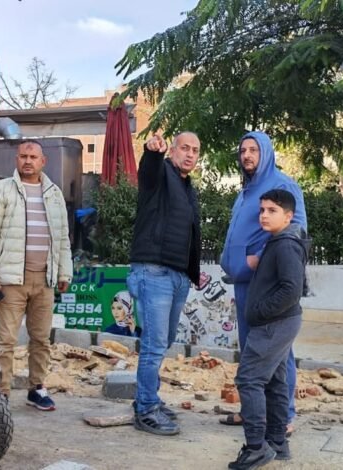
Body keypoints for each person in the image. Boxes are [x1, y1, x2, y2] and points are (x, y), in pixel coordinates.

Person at [219, 131, 307, 433]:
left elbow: (297, 229)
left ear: (266, 153)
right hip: (243, 283)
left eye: (253, 150)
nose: (246, 155)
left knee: (276, 351)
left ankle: (284, 417)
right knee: (252, 349)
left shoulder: (281, 185)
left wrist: (260, 258)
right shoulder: (246, 191)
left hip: (265, 283)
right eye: (243, 150)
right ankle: (254, 410)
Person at [0, 139, 73, 411]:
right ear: (16, 159)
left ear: (43, 161)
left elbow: (62, 238)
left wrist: (64, 272)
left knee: (41, 339)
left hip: (44, 279)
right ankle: (1, 392)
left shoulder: (54, 193)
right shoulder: (1, 190)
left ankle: (37, 389)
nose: (28, 161)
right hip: (10, 280)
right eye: (23, 156)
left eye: (33, 157)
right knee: (6, 339)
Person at [228, 189, 310, 470]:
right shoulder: (278, 241)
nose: (264, 215)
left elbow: (291, 290)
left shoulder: (285, 245)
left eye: (272, 210)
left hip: (274, 323)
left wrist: (260, 312)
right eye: (262, 210)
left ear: (288, 216)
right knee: (275, 382)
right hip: (279, 322)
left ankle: (256, 448)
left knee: (248, 379)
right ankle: (277, 443)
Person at [127, 131, 201, 436]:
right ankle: (146, 409)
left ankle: (149, 399)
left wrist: (192, 273)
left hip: (178, 275)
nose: (190, 154)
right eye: (184, 148)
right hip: (153, 270)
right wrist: (151, 151)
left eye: (195, 150)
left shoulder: (187, 186)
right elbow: (148, 171)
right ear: (172, 150)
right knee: (154, 344)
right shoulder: (160, 174)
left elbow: (189, 234)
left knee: (164, 340)